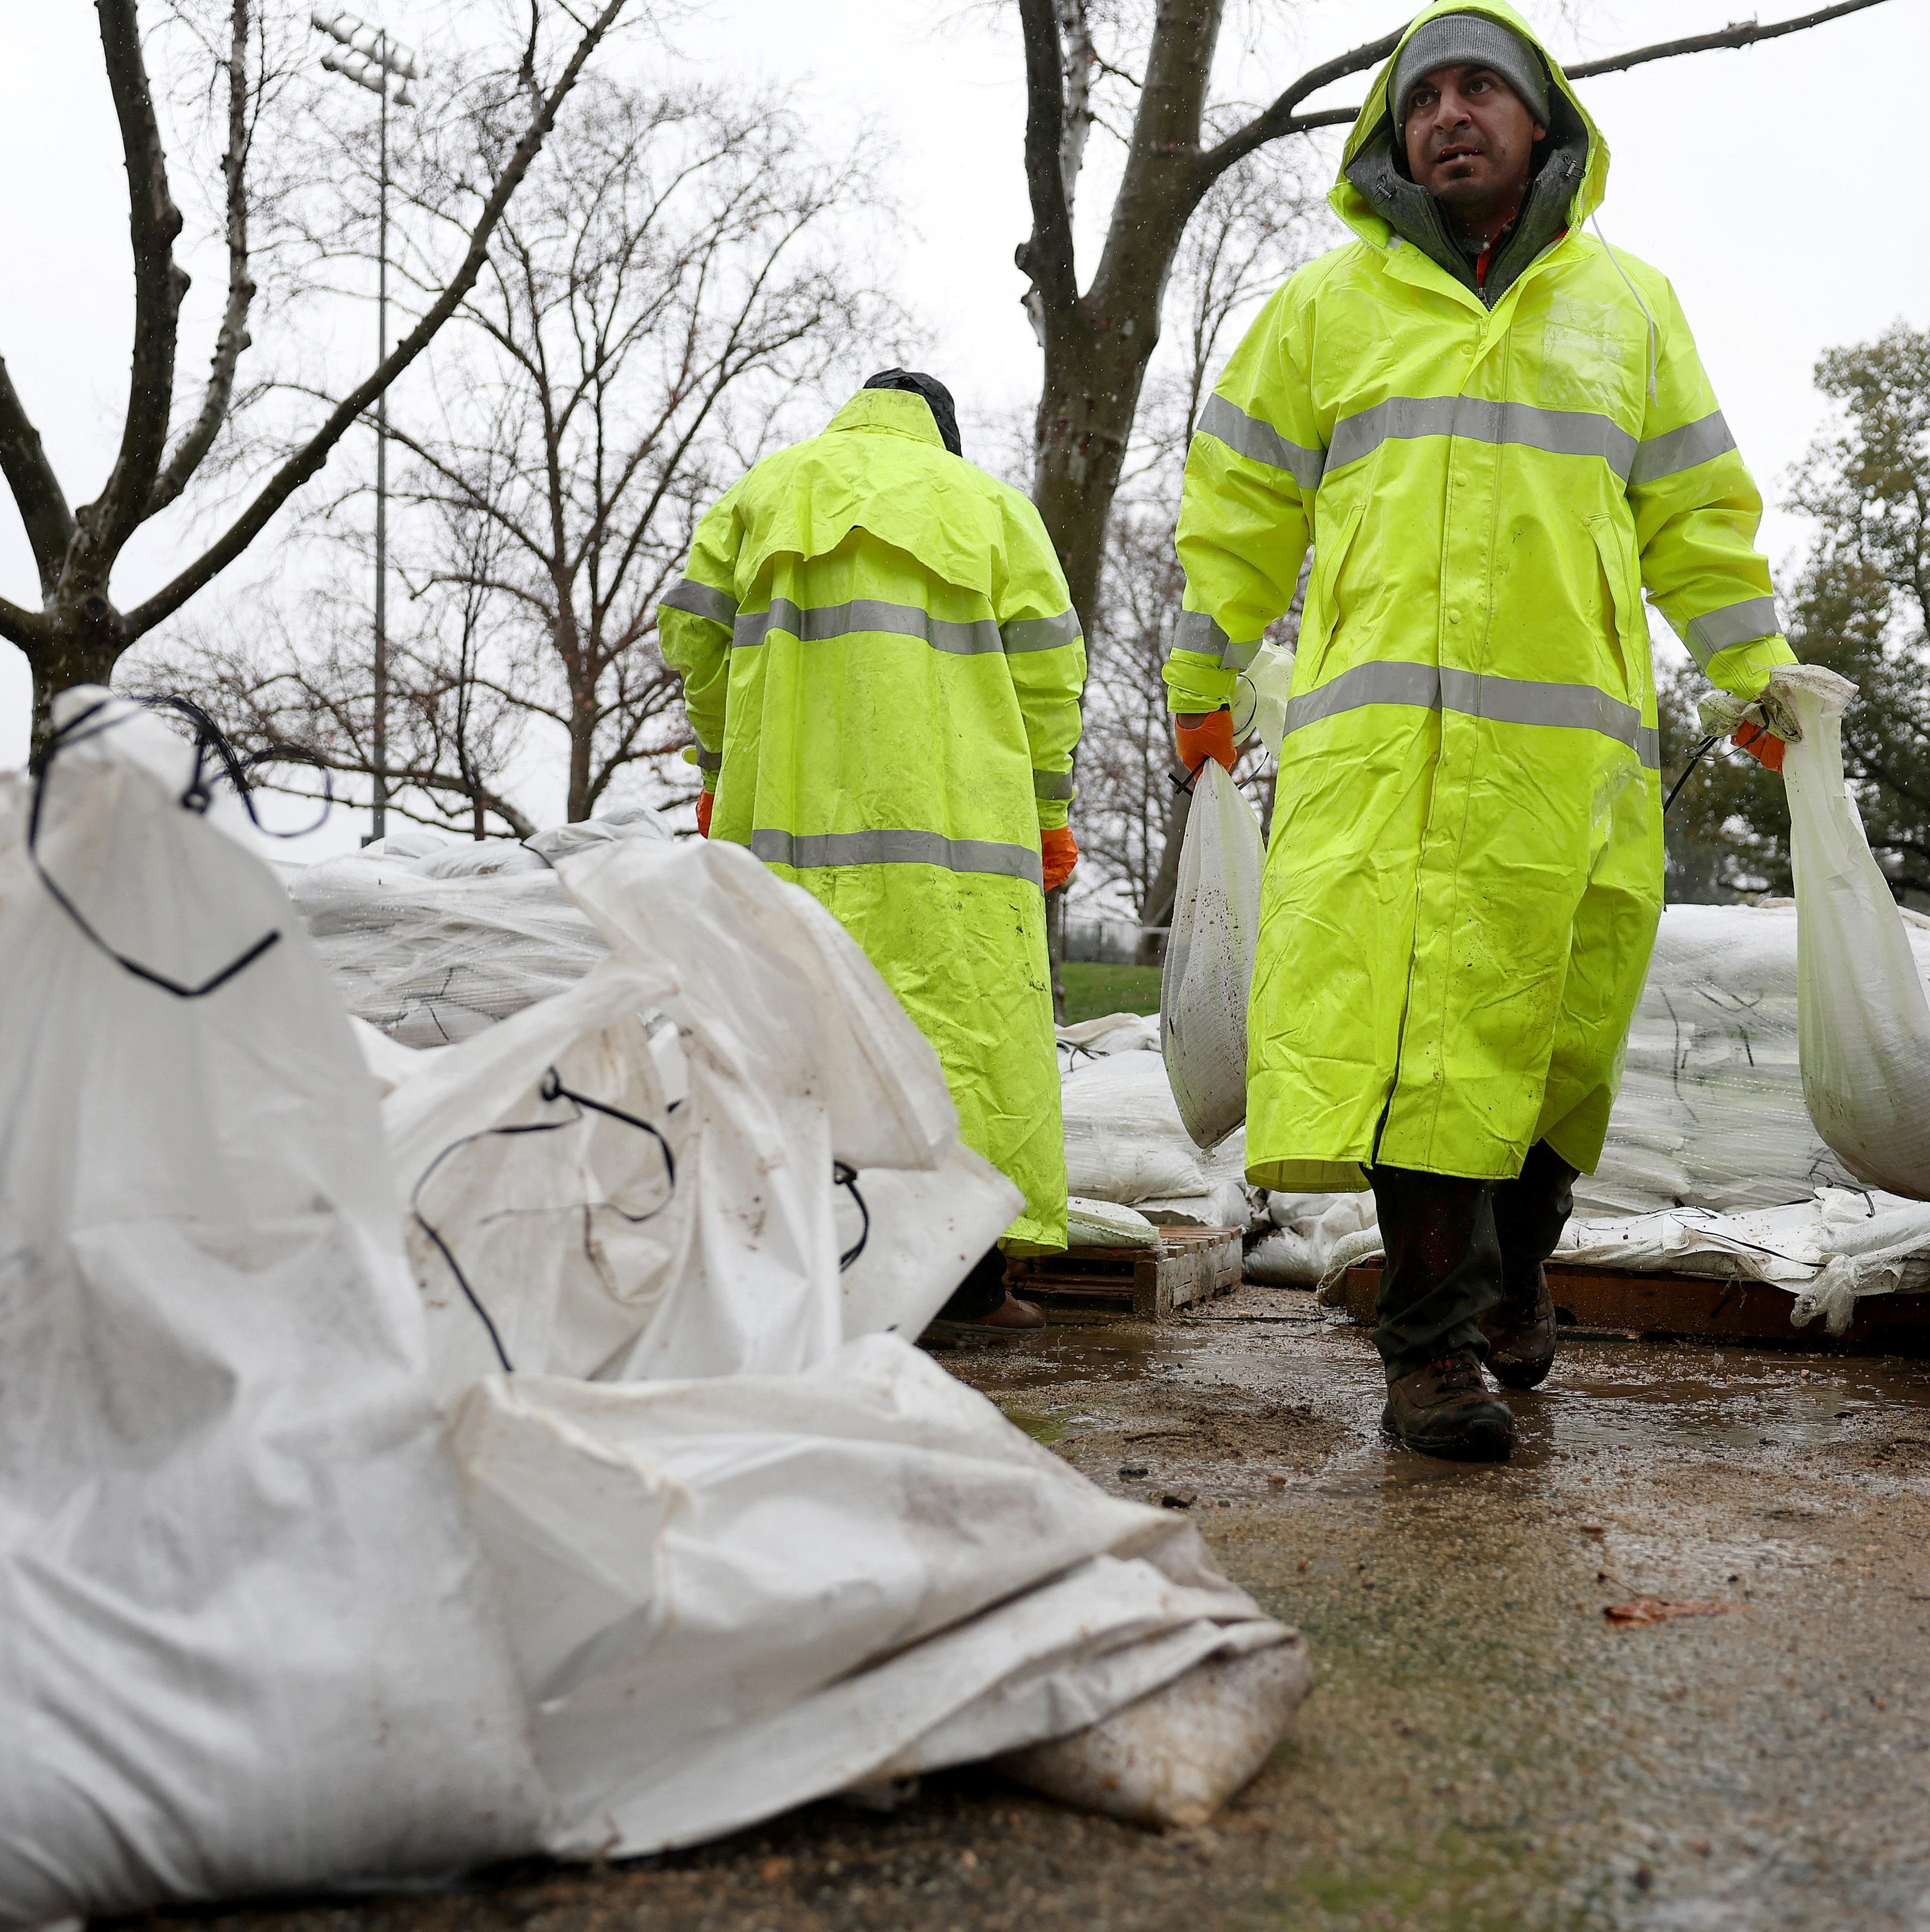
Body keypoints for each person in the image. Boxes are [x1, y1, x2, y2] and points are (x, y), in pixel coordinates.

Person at [1165, 2, 1811, 1459]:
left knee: (1553, 1046)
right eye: (1422, 96)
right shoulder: (1324, 310)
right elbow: (1239, 515)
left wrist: (1752, 673)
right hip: (1382, 762)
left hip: (1561, 766)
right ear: (1391, 133)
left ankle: (1523, 1269)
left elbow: (1698, 520)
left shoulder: (1627, 307)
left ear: (1539, 121)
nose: (1447, 114)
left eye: (1479, 91)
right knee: (1413, 1055)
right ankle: (1429, 1356)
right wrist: (1201, 685)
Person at [660, 369, 1085, 1330]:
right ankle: (968, 1279)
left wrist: (722, 769)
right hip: (958, 845)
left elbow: (695, 642)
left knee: (790, 1034)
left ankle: (796, 1263)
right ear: (944, 434)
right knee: (963, 1040)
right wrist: (1048, 810)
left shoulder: (764, 494)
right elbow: (1051, 680)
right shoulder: (993, 511)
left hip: (787, 833)